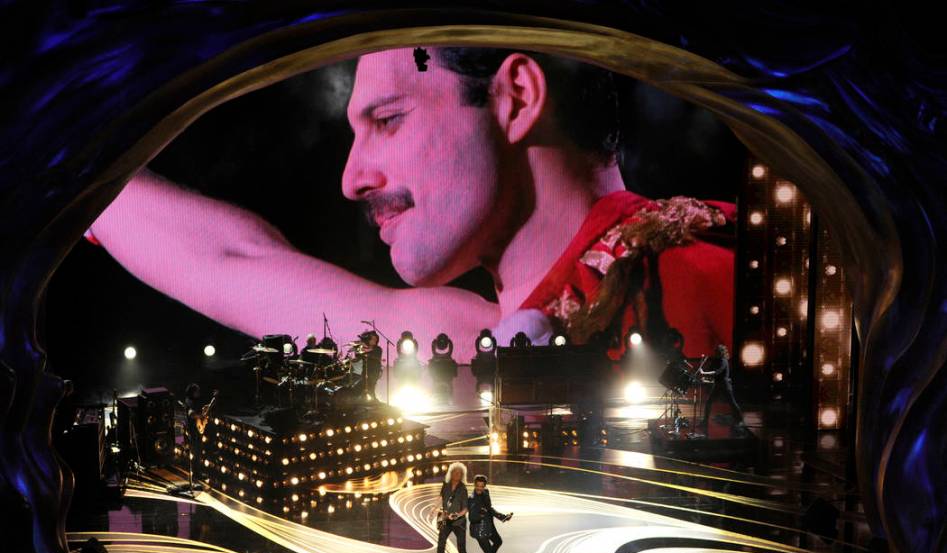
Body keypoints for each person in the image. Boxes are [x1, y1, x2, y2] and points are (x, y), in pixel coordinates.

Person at [87, 47, 735, 362]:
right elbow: (231, 261)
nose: (351, 178)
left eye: (388, 119)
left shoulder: (707, 278)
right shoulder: (481, 337)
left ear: (514, 96)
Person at [467, 474, 512, 553]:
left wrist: (502, 517)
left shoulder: (486, 493)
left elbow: (489, 508)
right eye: (477, 486)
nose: (479, 488)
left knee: (498, 541)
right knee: (488, 552)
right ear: (474, 485)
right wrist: (481, 514)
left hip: (489, 525)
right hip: (479, 529)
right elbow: (472, 518)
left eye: (482, 486)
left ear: (484, 486)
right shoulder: (472, 499)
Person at [434, 462, 469, 553]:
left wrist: (457, 515)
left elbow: (465, 508)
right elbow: (441, 498)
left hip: (459, 522)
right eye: (455, 472)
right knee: (440, 544)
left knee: (461, 548)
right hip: (445, 519)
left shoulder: (463, 489)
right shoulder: (445, 485)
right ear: (451, 473)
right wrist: (434, 508)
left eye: (459, 473)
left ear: (462, 475)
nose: (457, 474)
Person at [699, 344, 744, 431]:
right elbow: (711, 371)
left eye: (717, 352)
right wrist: (705, 376)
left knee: (732, 403)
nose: (715, 354)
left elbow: (717, 372)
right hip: (717, 385)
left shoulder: (724, 361)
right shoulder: (716, 361)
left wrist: (704, 373)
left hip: (725, 386)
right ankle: (705, 421)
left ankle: (740, 420)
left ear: (721, 352)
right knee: (709, 402)